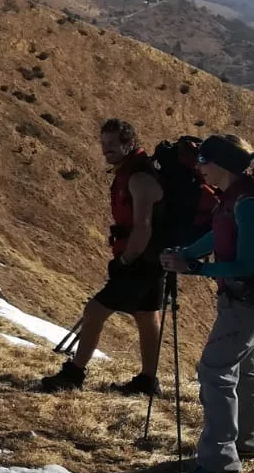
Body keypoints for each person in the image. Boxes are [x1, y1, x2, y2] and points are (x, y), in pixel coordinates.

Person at [161, 134, 254, 473]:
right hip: (252, 299)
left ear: (221, 165)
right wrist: (186, 253)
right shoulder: (236, 198)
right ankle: (245, 443)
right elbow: (218, 237)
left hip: (247, 300)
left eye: (203, 161)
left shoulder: (246, 204)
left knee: (215, 370)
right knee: (245, 367)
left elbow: (244, 264)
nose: (199, 168)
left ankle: (219, 461)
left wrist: (195, 268)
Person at [42, 119, 166, 394]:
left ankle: (74, 374)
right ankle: (147, 381)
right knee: (147, 317)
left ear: (129, 143)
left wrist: (125, 261)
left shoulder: (139, 178)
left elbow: (143, 227)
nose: (106, 149)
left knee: (95, 311)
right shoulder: (134, 172)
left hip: (139, 261)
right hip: (151, 260)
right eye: (104, 144)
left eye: (112, 144)